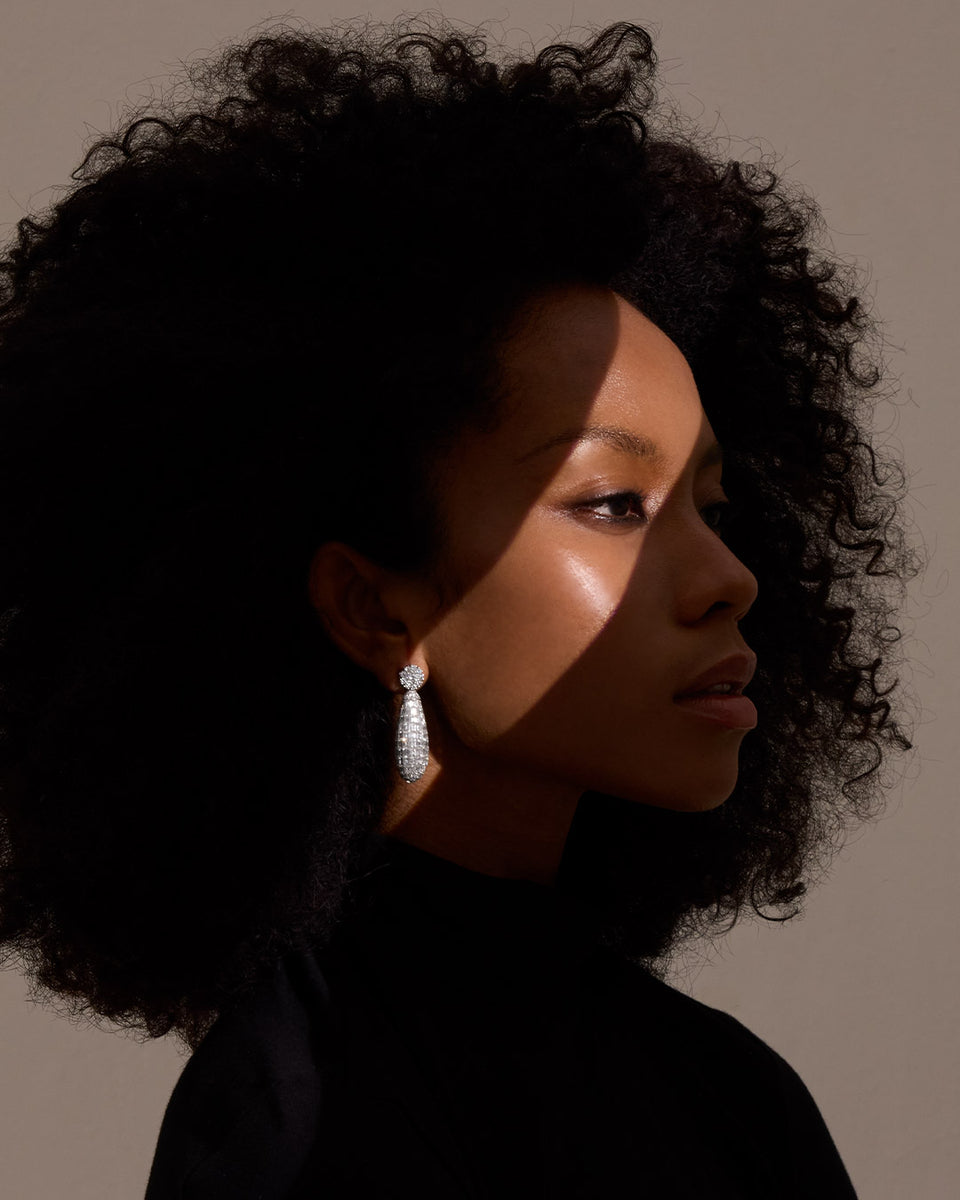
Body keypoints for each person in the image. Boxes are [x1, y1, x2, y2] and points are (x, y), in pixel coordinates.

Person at [0, 14, 922, 1198]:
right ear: (374, 611)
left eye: (712, 505)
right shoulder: (302, 1115)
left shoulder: (729, 1095)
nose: (729, 578)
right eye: (612, 503)